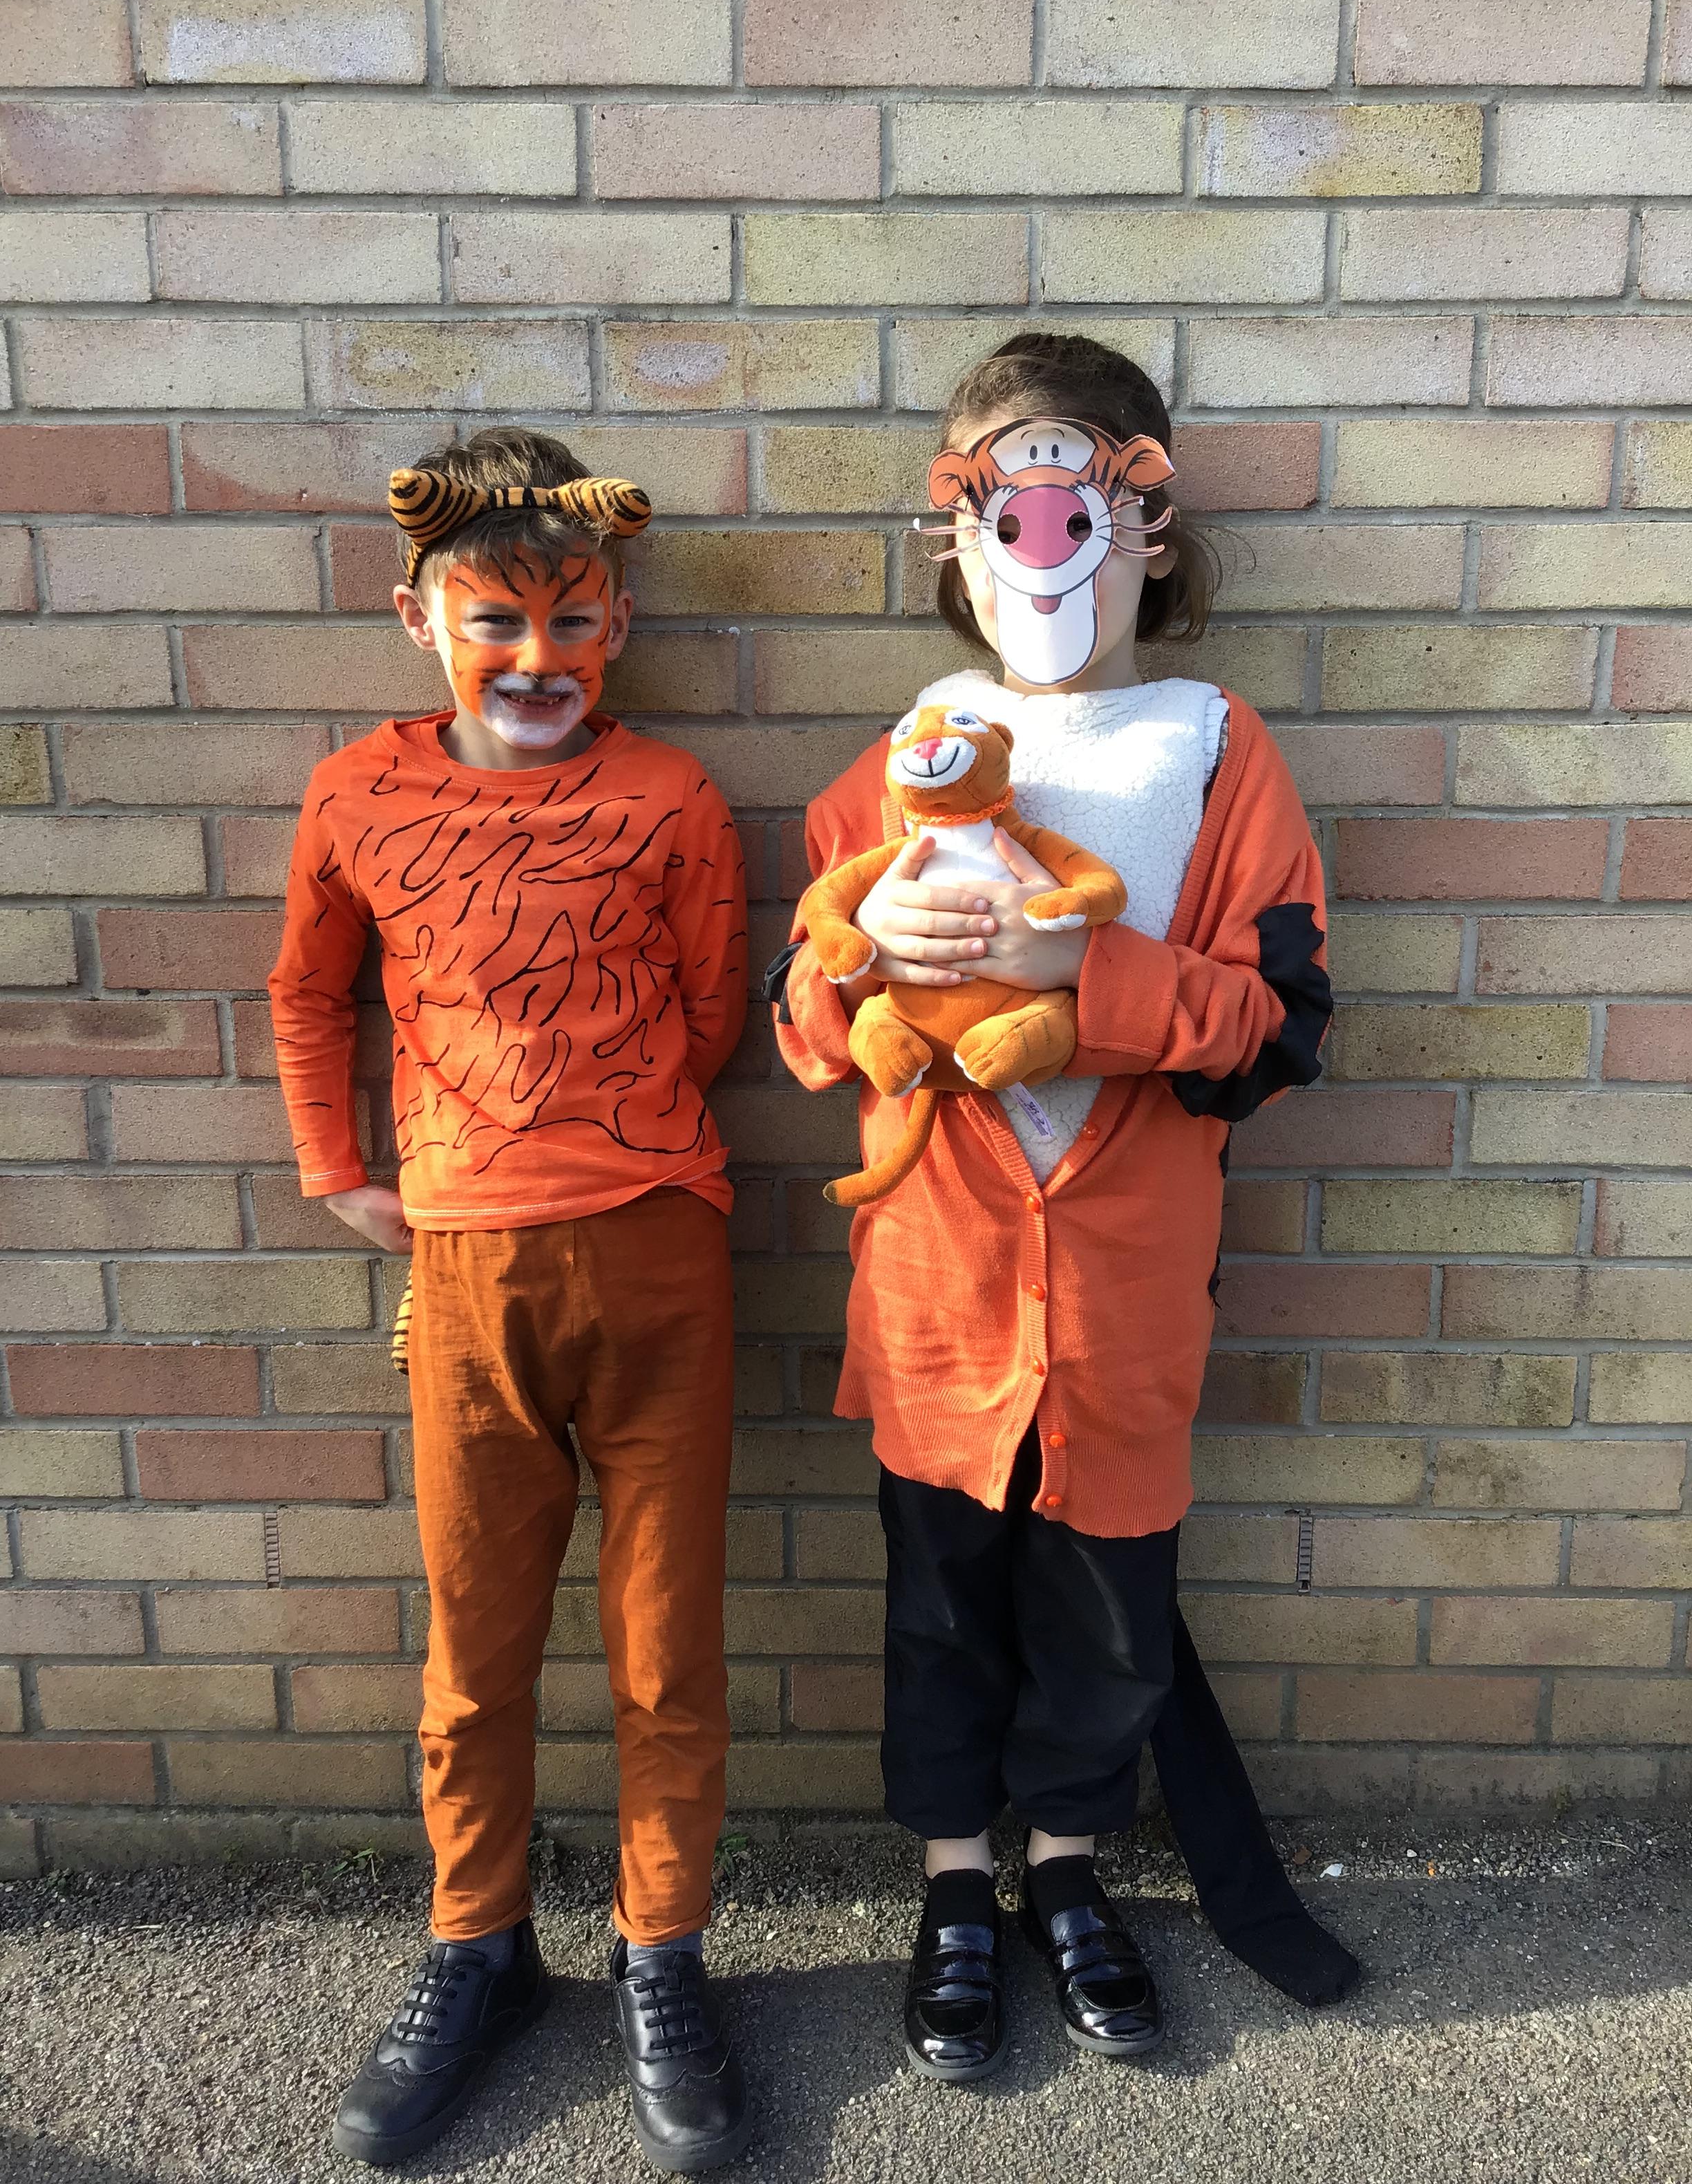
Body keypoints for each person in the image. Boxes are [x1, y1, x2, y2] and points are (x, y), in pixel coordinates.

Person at [771, 334, 1358, 2081]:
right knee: (941, 1609)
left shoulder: (1218, 755)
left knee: (1109, 1621)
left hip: (1125, 1293)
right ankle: (957, 1884)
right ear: (954, 536)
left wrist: (1086, 981)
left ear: (1147, 528)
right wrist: (860, 961)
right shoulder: (901, 762)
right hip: (939, 1292)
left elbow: (1279, 1030)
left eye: (1076, 500)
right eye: (997, 508)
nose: (1037, 542)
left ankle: (1069, 1867)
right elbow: (800, 1025)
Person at [267, 427, 752, 2171]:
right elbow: (310, 994)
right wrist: (341, 1168)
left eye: (574, 621)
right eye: (496, 622)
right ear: (423, 619)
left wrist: (592, 1134)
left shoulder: (675, 800)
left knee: (664, 1647)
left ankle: (661, 1949)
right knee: (474, 1652)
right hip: (465, 1273)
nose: (538, 659)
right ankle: (477, 1942)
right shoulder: (357, 796)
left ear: (618, 623)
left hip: (658, 1253)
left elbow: (710, 1011)